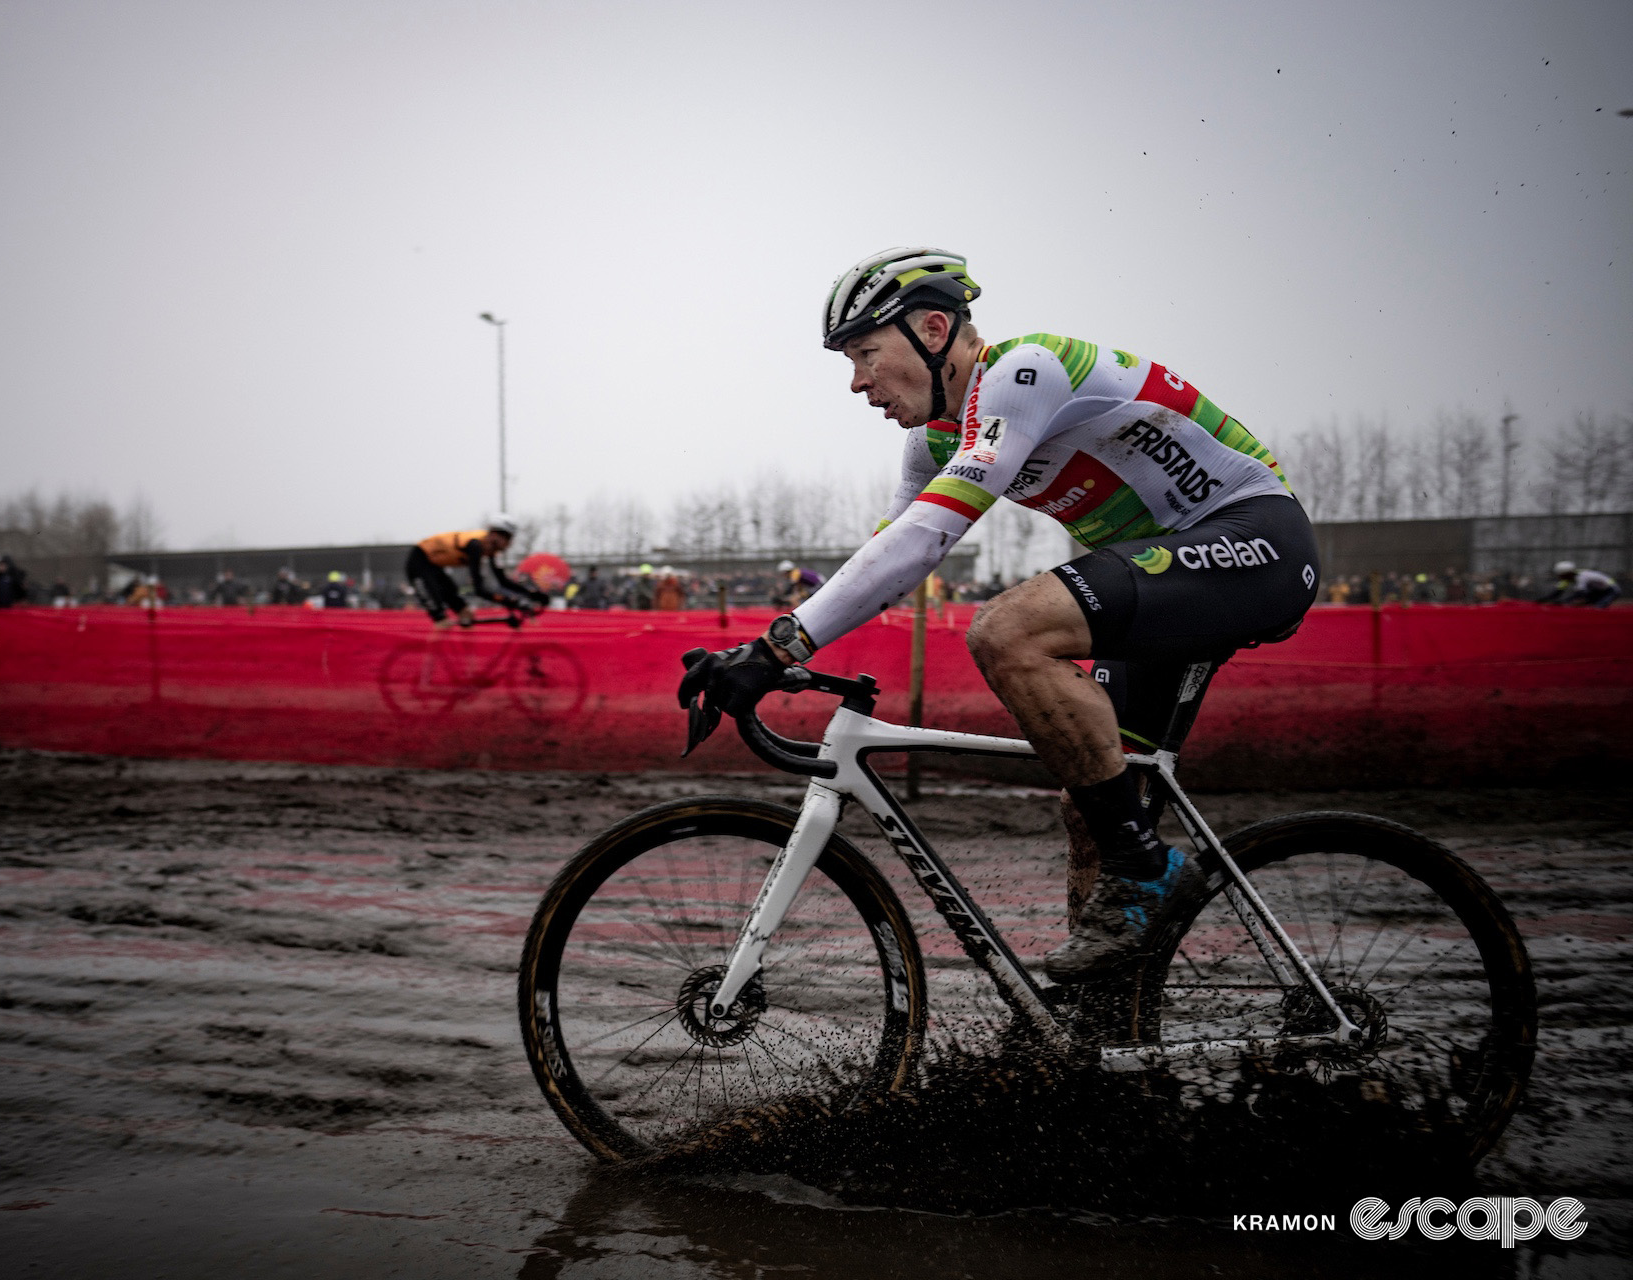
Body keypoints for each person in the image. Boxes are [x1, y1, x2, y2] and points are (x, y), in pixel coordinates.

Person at [680, 247, 1319, 983]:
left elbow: (927, 536)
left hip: (1255, 540)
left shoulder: (1025, 372)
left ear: (930, 328)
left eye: (864, 354)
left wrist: (778, 649)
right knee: (1092, 806)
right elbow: (897, 553)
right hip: (1168, 571)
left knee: (1008, 629)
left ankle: (1151, 871)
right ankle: (1103, 1024)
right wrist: (768, 647)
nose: (857, 383)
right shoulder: (932, 442)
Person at [403, 514, 546, 627]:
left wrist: (532, 594)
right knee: (440, 617)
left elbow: (503, 581)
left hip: (434, 567)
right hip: (419, 562)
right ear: (495, 536)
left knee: (465, 614)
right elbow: (479, 589)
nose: (510, 544)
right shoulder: (475, 546)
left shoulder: (492, 552)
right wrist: (511, 601)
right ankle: (429, 661)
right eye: (508, 538)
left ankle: (466, 662)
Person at [1542, 560, 1620, 608]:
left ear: (1567, 574)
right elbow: (1557, 592)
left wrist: (1562, 602)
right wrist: (1542, 600)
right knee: (1579, 604)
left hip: (1611, 590)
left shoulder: (1582, 576)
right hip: (1597, 591)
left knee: (1598, 607)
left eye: (1561, 575)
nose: (1560, 577)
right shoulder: (1567, 578)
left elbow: (1579, 594)